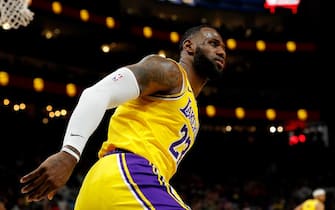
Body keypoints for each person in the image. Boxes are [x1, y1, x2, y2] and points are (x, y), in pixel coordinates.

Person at [19, 24, 226, 209]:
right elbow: (98, 93)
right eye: (213, 43)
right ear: (189, 46)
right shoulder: (169, 71)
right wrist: (69, 153)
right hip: (126, 174)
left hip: (108, 187)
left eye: (223, 48)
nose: (221, 51)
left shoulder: (193, 111)